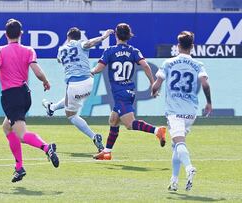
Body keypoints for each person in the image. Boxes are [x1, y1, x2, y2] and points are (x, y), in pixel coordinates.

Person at [0, 19, 59, 183]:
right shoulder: (28, 50)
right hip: (25, 94)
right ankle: (19, 168)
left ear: (5, 34)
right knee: (7, 128)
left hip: (11, 96)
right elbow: (36, 70)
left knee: (21, 134)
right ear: (21, 34)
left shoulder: (0, 51)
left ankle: (47, 148)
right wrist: (45, 81)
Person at [91, 23, 167, 160]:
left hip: (120, 93)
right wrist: (152, 84)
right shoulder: (134, 51)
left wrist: (90, 72)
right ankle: (107, 152)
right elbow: (145, 65)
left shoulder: (110, 51)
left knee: (130, 124)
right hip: (129, 91)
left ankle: (157, 130)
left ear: (116, 35)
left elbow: (99, 68)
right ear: (128, 36)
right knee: (113, 120)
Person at [152, 31, 212, 191]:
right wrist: (209, 103)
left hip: (174, 111)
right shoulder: (198, 64)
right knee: (175, 145)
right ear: (192, 46)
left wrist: (154, 91)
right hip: (191, 112)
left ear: (178, 46)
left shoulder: (168, 62)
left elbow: (157, 83)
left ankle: (189, 167)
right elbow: (205, 84)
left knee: (179, 143)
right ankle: (174, 180)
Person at [42, 27, 114, 153]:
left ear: (68, 37)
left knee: (72, 115)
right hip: (89, 82)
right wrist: (103, 37)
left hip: (74, 85)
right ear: (79, 37)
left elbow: (59, 59)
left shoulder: (61, 49)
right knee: (70, 99)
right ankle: (51, 107)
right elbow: (90, 43)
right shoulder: (82, 44)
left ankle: (94, 137)